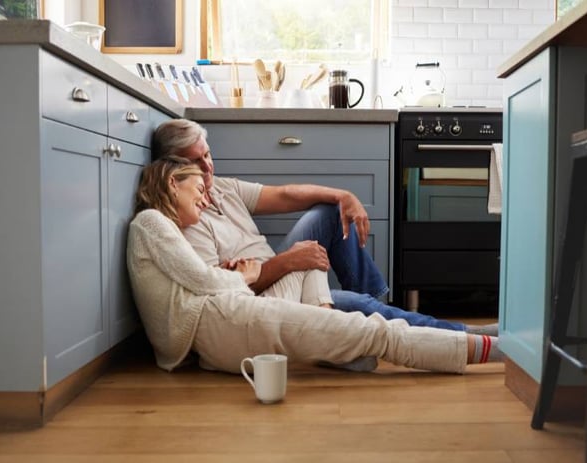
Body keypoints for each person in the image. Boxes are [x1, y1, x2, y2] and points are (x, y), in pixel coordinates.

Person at [126, 156, 503, 376]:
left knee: (310, 254)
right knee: (374, 331)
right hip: (223, 322)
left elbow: (210, 281)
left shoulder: (171, 223)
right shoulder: (152, 223)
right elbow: (207, 281)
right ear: (172, 183)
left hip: (230, 314)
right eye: (196, 187)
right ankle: (501, 351)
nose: (204, 196)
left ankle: (328, 327)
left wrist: (243, 274)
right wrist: (248, 274)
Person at [151, 119, 498, 337]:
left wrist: (344, 195)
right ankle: (464, 333)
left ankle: (372, 301)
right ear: (173, 170)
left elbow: (285, 194)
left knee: (332, 211)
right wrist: (289, 262)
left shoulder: (222, 187)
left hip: (284, 270)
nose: (207, 165)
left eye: (208, 154)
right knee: (353, 304)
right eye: (196, 161)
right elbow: (228, 295)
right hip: (266, 294)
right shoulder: (187, 222)